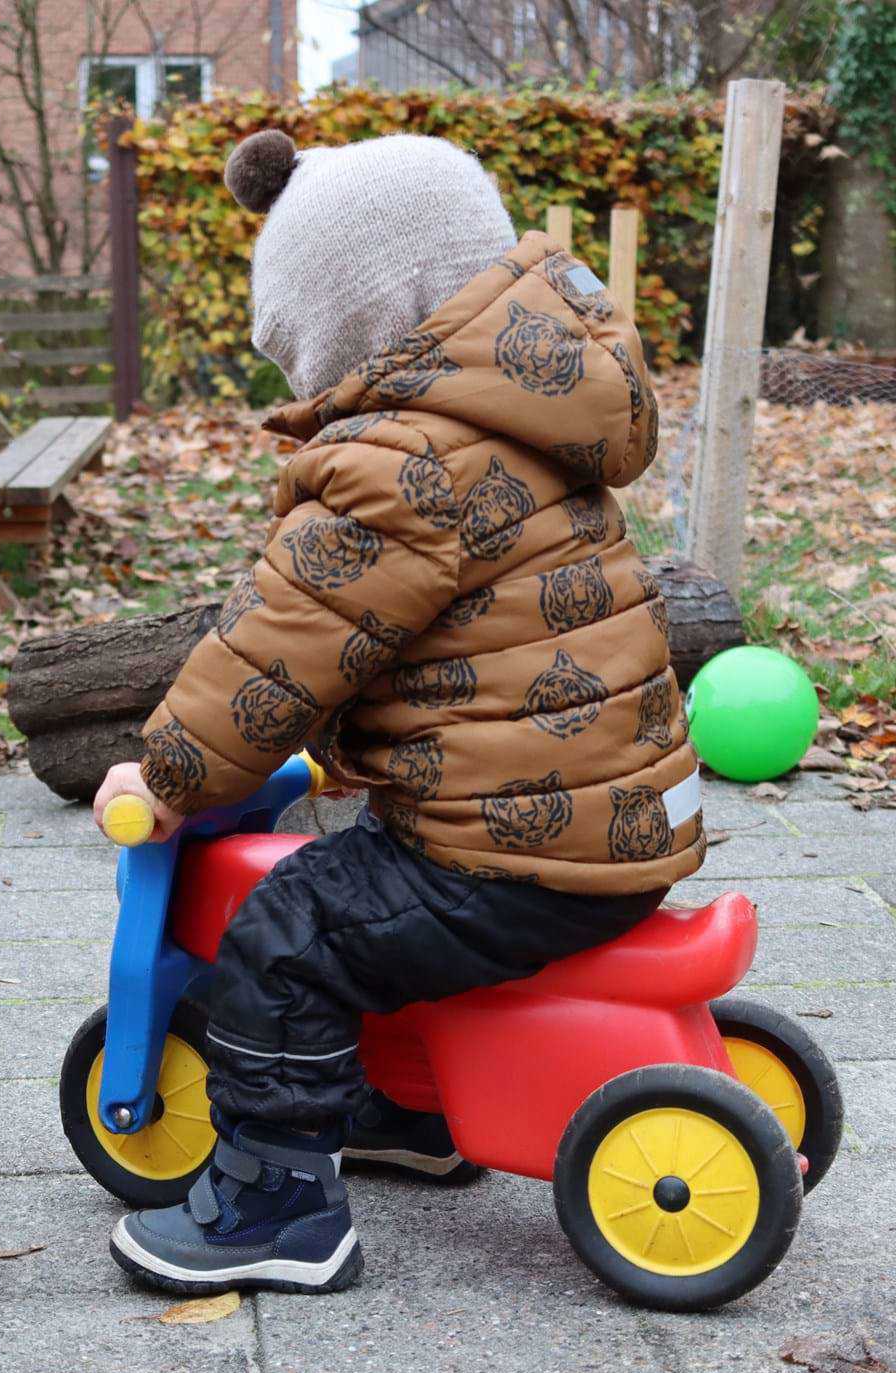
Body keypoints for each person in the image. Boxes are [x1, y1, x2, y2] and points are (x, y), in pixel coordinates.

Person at [92, 130, 705, 1296]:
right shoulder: (533, 417)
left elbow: (281, 648)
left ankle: (277, 1205)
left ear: (364, 320)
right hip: (618, 821)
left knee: (293, 934)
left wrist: (168, 776)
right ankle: (407, 1108)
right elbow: (439, 644)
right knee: (371, 871)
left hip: (514, 849)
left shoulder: (402, 464)